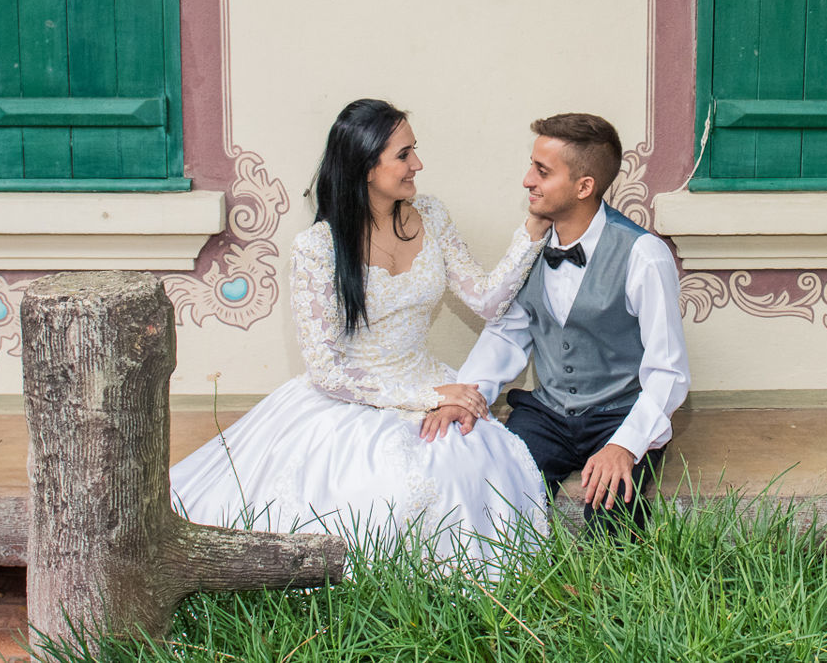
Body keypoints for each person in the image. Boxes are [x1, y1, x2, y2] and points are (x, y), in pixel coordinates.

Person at [169, 98, 549, 565]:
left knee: (471, 459)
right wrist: (430, 396)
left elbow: (486, 299)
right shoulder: (317, 248)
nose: (418, 164)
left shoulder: (430, 214)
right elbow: (327, 371)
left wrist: (533, 230)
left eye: (414, 151)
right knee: (386, 484)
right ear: (368, 167)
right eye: (404, 155)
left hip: (425, 373)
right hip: (349, 396)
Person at [438, 113, 689, 534]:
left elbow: (669, 370)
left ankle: (614, 586)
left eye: (542, 171)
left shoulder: (643, 255)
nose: (526, 180)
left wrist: (625, 446)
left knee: (611, 513)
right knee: (499, 491)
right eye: (531, 166)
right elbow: (506, 334)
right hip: (547, 414)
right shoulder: (531, 248)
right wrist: (467, 393)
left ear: (584, 186)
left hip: (619, 412)